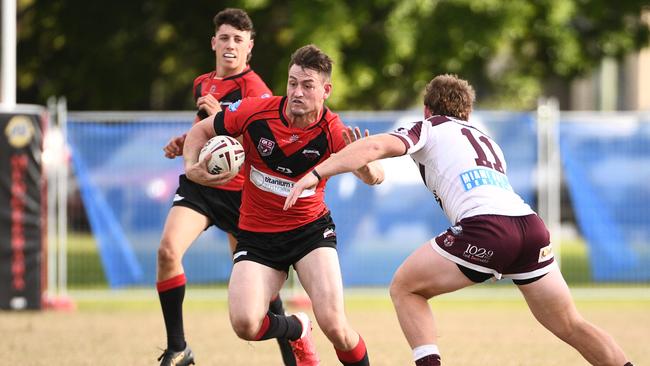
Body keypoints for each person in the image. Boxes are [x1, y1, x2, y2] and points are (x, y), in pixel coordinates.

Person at [284, 74, 634, 366]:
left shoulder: (429, 127)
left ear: (427, 109)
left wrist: (317, 173)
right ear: (467, 111)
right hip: (530, 227)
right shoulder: (487, 140)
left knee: (405, 288)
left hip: (489, 228)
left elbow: (376, 148)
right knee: (570, 323)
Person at [183, 44, 384, 366]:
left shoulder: (333, 130)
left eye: (307, 85)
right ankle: (296, 328)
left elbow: (377, 176)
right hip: (257, 235)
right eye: (293, 83)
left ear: (326, 90)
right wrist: (191, 166)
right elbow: (203, 129)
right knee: (245, 324)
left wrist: (362, 166)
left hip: (310, 233)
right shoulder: (253, 112)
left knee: (336, 327)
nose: (297, 92)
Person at [156, 8, 296, 366]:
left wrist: (221, 116)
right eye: (225, 37)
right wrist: (184, 141)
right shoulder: (202, 83)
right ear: (213, 42)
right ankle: (178, 348)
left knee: (259, 291)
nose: (230, 45)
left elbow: (266, 145)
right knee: (168, 252)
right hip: (201, 184)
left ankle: (294, 343)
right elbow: (203, 127)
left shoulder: (258, 91)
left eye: (238, 39)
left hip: (241, 195)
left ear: (249, 47)